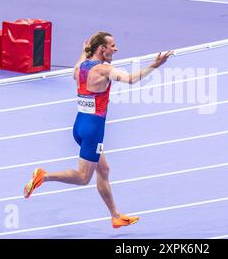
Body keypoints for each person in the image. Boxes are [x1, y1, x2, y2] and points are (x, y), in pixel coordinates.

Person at [23, 31, 173, 229]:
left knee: (104, 170)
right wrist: (154, 65)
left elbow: (76, 68)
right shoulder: (104, 69)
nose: (116, 49)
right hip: (94, 130)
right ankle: (44, 175)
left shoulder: (80, 67)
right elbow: (129, 79)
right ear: (102, 49)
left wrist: (83, 51)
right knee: (84, 178)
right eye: (112, 45)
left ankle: (115, 216)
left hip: (79, 126)